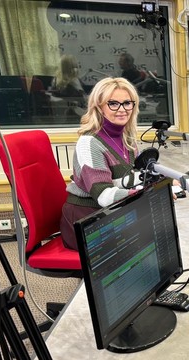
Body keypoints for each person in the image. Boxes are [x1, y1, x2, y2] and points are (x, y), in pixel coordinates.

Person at [59, 77, 142, 250]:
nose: (122, 109)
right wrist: (142, 194)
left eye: (127, 103)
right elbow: (104, 195)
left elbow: (133, 177)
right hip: (86, 219)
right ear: (99, 107)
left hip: (112, 212)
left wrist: (163, 183)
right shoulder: (89, 143)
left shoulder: (127, 139)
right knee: (144, 241)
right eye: (113, 104)